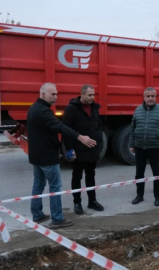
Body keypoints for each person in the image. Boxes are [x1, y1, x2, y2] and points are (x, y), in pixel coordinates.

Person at [27, 82, 96, 229]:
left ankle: (37, 215)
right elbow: (60, 127)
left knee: (38, 185)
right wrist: (80, 137)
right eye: (52, 94)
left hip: (36, 156)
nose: (56, 97)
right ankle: (57, 219)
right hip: (47, 156)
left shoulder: (34, 108)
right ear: (42, 94)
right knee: (55, 186)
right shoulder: (44, 111)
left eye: (57, 93)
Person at [62, 84, 104, 215]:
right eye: (89, 95)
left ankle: (92, 201)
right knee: (77, 177)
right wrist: (70, 149)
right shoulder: (71, 109)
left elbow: (99, 126)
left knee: (91, 176)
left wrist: (98, 140)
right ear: (82, 94)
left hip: (92, 150)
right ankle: (77, 202)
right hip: (78, 149)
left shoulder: (95, 108)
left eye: (93, 95)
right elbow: (66, 130)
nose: (92, 97)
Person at [129, 87, 159, 207]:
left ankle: (157, 197)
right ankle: (139, 195)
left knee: (157, 173)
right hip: (140, 147)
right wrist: (131, 144)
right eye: (148, 96)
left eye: (153, 96)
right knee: (139, 173)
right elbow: (132, 128)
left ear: (155, 97)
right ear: (144, 97)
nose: (151, 98)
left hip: (156, 148)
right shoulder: (138, 110)